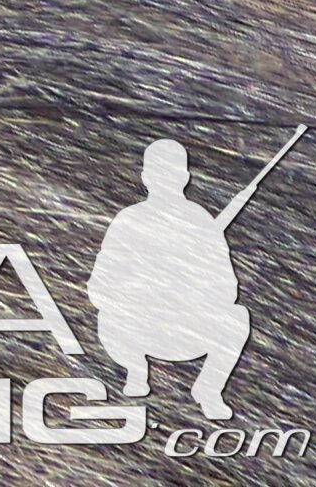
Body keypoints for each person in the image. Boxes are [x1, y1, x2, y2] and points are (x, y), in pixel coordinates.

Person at [91, 139, 255, 420]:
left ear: (185, 178)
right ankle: (136, 370)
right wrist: (140, 293)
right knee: (107, 315)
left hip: (187, 330)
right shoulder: (128, 220)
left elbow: (227, 288)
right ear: (146, 178)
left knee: (237, 318)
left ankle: (209, 389)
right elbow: (98, 287)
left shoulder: (201, 221)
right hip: (135, 329)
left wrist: (188, 289)